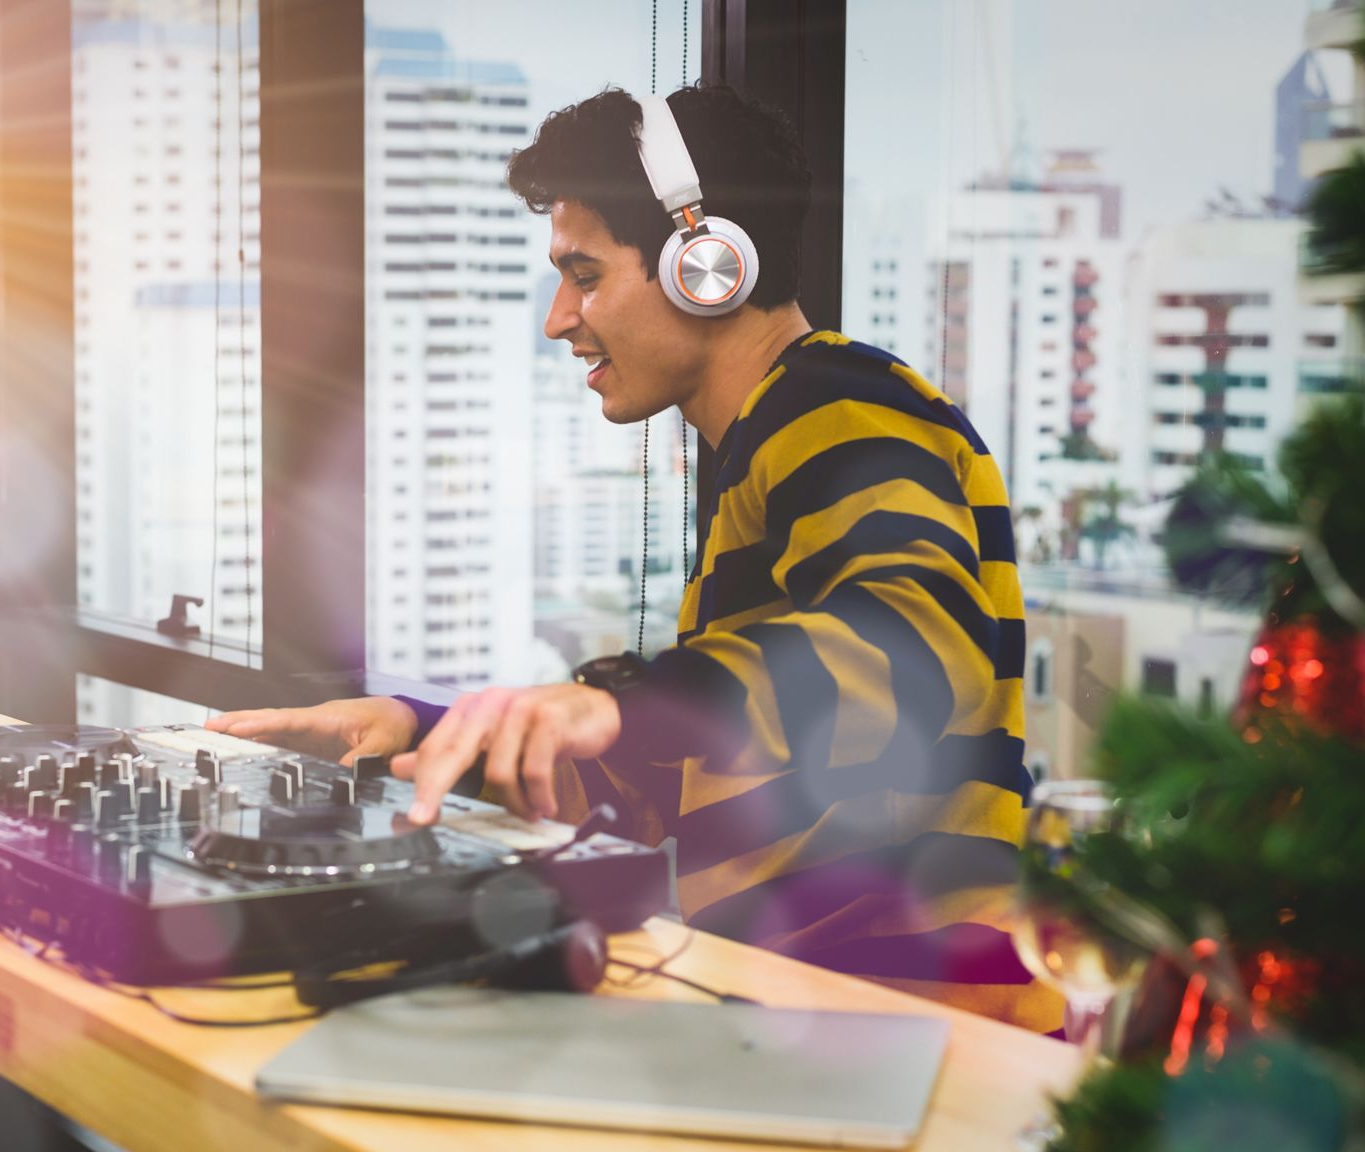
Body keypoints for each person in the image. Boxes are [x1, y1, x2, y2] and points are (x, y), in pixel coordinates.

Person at [209, 85, 1055, 1031]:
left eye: (585, 274)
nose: (558, 318)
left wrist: (620, 702)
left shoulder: (839, 406)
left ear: (707, 264)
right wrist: (419, 731)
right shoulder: (769, 446)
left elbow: (912, 649)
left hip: (921, 1026)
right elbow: (688, 764)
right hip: (816, 1012)